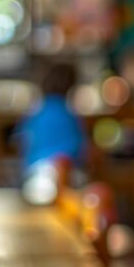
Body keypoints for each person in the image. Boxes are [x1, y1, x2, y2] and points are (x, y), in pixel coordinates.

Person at [16, 62, 86, 192]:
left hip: (34, 173)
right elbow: (79, 147)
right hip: (63, 175)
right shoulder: (68, 112)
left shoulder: (35, 110)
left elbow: (22, 139)